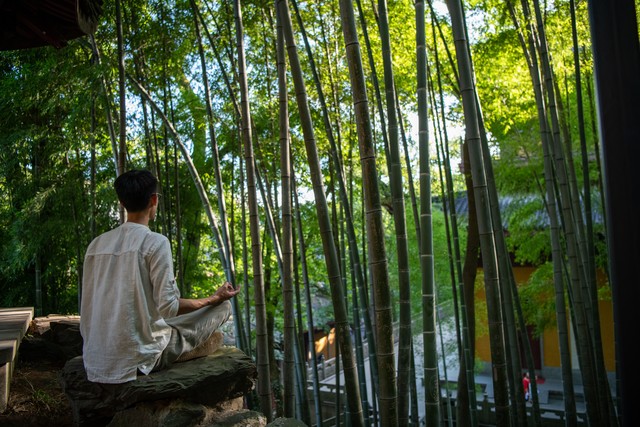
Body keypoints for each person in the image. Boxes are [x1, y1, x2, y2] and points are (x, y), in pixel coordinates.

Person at [80, 169, 240, 384]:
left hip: (96, 359)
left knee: (174, 319)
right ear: (153, 200)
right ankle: (185, 351)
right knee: (222, 309)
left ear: (121, 202)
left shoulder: (96, 244)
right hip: (138, 359)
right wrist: (214, 298)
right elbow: (168, 308)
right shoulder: (155, 242)